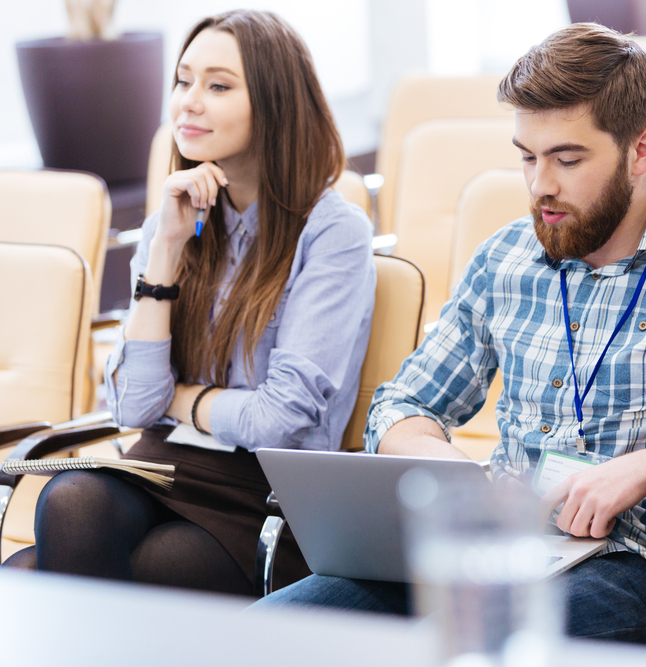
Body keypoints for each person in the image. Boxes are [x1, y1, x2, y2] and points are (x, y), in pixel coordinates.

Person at [256, 23, 646, 645]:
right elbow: (401, 408)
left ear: (641, 151)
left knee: (470, 648)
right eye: (527, 158)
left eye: (566, 159)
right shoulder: (505, 258)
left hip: (631, 562)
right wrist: (463, 480)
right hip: (492, 547)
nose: (541, 186)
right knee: (270, 635)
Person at [1, 10, 376, 596]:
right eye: (183, 81)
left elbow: (280, 421)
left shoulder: (333, 232)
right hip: (160, 465)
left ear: (275, 103)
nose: (188, 103)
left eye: (218, 85)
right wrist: (169, 249)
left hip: (265, 493)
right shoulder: (169, 224)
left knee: (31, 576)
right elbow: (133, 405)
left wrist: (181, 399)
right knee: (71, 502)